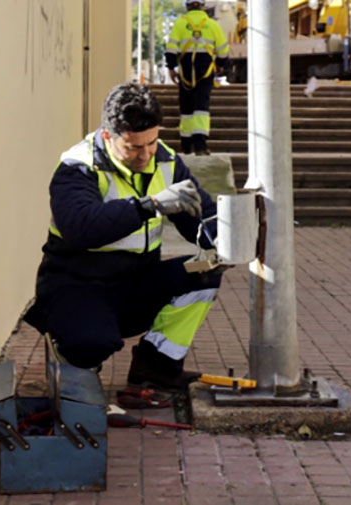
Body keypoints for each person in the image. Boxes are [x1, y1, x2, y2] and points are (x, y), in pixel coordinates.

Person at [23, 82, 223, 391]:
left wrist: (224, 241)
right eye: (134, 147)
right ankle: (70, 372)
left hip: (136, 284)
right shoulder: (77, 167)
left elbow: (200, 216)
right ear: (108, 136)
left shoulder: (167, 160)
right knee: (91, 342)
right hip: (77, 285)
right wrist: (150, 205)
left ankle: (156, 368)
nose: (146, 155)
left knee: (204, 274)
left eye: (152, 142)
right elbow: (81, 228)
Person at [165, 0, 229, 156]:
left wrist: (171, 68)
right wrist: (220, 64)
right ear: (203, 6)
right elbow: (223, 49)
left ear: (187, 6)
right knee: (201, 106)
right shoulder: (212, 24)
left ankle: (186, 145)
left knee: (186, 106)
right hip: (205, 70)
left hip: (186, 70)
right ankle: (200, 146)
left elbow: (171, 49)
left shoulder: (180, 23)